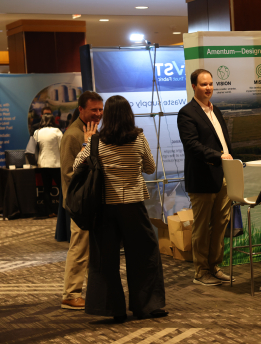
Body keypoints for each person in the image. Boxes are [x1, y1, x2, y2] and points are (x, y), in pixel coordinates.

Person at [73, 95, 166, 322]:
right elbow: (150, 167)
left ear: (108, 115)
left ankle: (111, 308)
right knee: (144, 255)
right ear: (128, 114)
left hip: (105, 206)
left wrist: (87, 143)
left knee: (105, 259)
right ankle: (147, 306)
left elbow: (77, 165)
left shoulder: (96, 141)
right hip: (133, 205)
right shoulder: (139, 137)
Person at [177, 69, 233, 286]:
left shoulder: (215, 110)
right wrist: (218, 156)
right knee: (202, 227)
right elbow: (192, 145)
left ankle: (214, 266)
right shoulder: (187, 113)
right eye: (203, 85)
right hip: (202, 178)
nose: (208, 88)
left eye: (210, 84)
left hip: (223, 176)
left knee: (220, 224)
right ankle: (201, 272)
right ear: (194, 87)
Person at [60, 91, 103, 310]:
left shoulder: (92, 131)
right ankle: (71, 293)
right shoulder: (74, 135)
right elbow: (69, 173)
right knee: (79, 247)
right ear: (81, 110)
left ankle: (82, 291)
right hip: (80, 203)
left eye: (100, 109)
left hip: (92, 201)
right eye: (93, 110)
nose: (98, 114)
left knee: (91, 248)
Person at [35, 113, 63, 218]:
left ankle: (50, 211)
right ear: (53, 120)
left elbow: (35, 149)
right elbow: (62, 147)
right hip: (56, 163)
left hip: (43, 164)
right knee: (62, 188)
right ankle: (63, 210)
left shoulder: (37, 132)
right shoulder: (57, 132)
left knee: (46, 189)